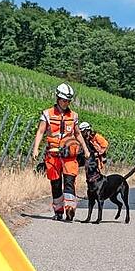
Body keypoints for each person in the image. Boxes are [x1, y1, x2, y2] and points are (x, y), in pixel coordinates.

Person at [32, 83, 90, 221]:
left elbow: (78, 134)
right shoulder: (47, 114)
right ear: (58, 98)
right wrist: (35, 148)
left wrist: (85, 149)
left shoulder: (73, 116)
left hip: (69, 155)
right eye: (64, 100)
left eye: (68, 101)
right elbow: (40, 131)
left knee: (70, 181)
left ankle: (70, 209)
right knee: (56, 183)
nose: (66, 103)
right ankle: (58, 211)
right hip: (53, 155)